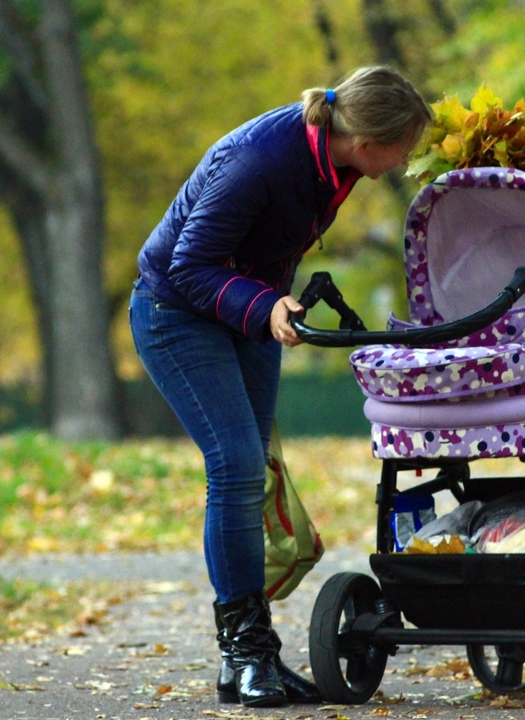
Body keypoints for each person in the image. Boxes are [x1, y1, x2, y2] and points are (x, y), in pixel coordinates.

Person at [129, 66, 432, 708]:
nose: (403, 164)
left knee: (256, 468)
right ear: (370, 138)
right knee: (235, 467)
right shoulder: (259, 161)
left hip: (249, 309)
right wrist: (263, 306)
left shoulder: (339, 159)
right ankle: (243, 655)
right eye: (404, 149)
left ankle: (250, 660)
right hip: (177, 312)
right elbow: (187, 265)